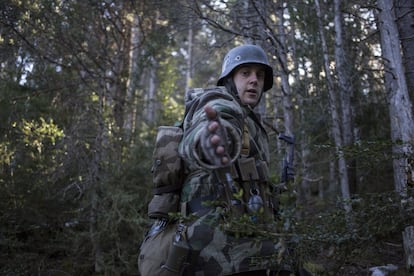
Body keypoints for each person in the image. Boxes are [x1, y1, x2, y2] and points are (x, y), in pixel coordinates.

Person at [160, 44, 294, 276]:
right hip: (216, 252)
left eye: (259, 75)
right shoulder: (219, 100)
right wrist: (211, 140)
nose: (254, 80)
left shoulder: (252, 122)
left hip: (249, 250)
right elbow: (205, 128)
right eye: (245, 73)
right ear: (229, 79)